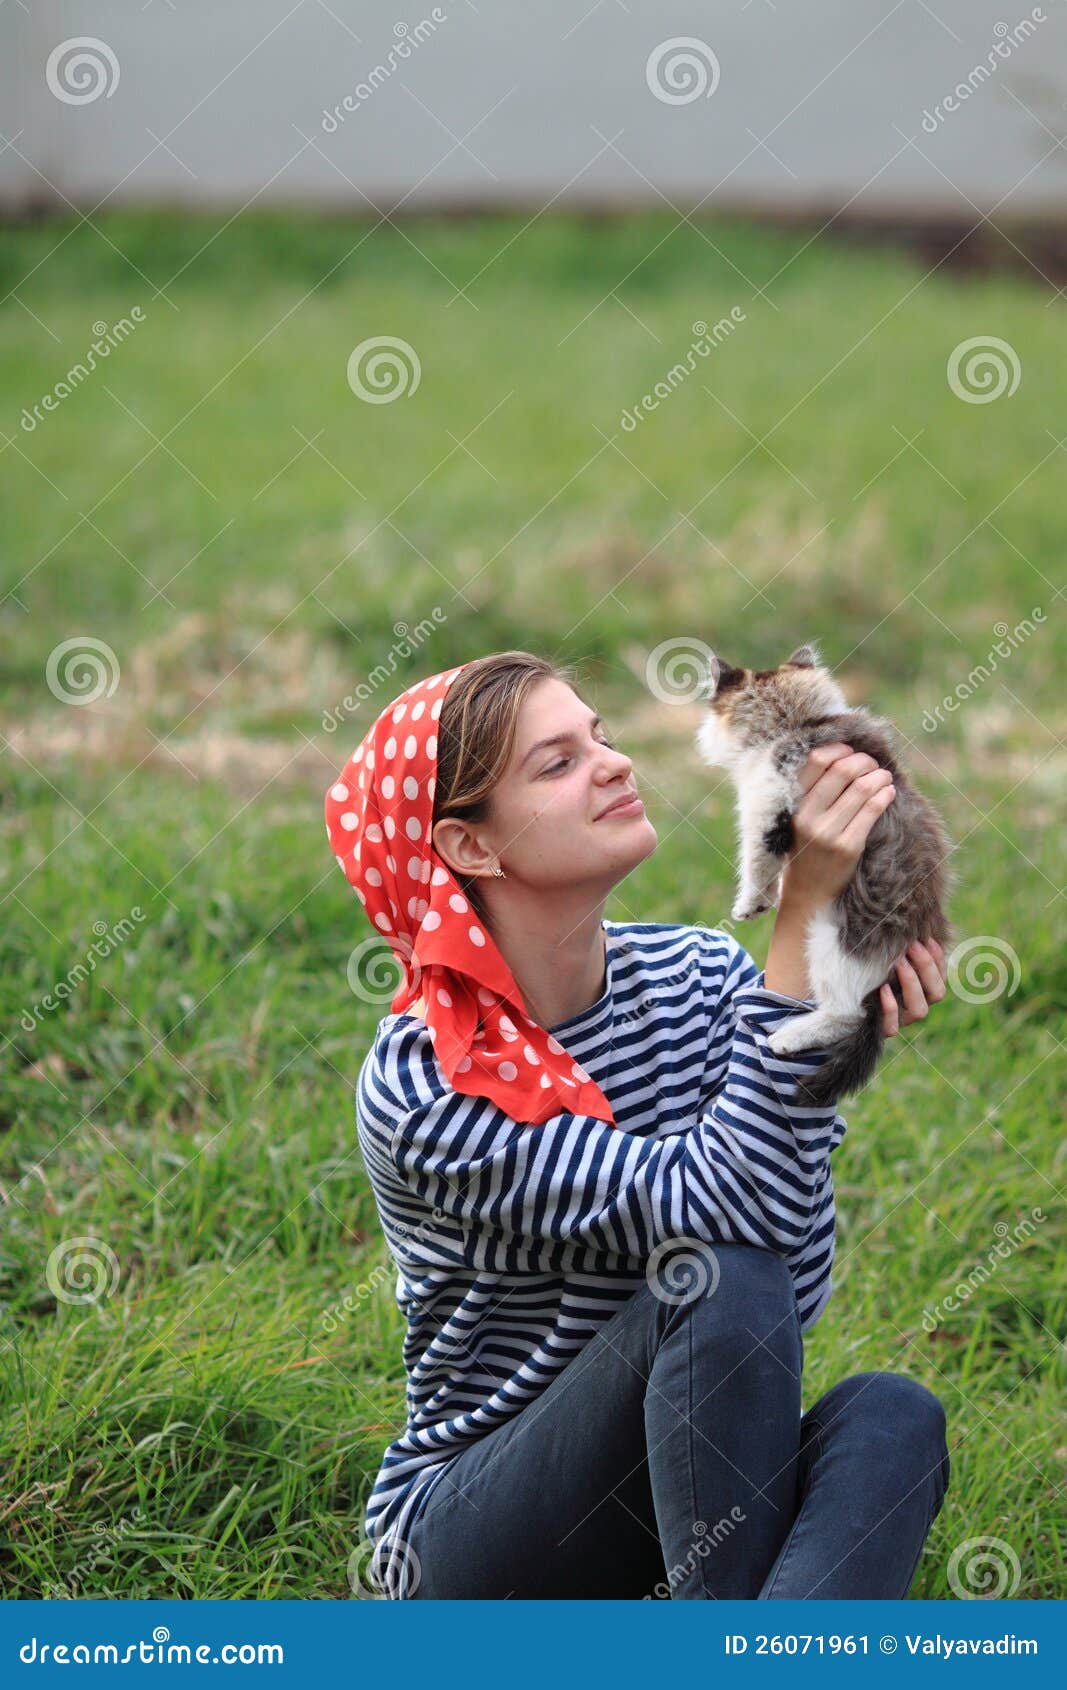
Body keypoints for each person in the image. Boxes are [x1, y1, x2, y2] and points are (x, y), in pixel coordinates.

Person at [325, 651, 951, 1600]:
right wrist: (796, 934)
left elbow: (794, 1285)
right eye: (556, 763)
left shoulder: (697, 977)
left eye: (600, 739)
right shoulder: (431, 1078)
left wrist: (833, 996)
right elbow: (714, 1219)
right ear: (468, 848)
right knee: (712, 1275)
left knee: (891, 1417)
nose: (613, 764)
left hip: (690, 1481)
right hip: (482, 1536)